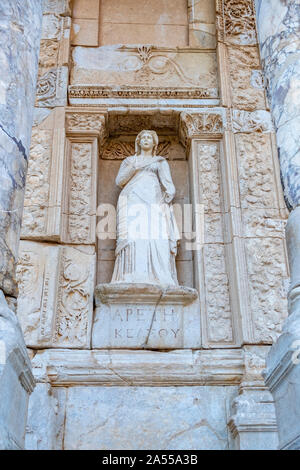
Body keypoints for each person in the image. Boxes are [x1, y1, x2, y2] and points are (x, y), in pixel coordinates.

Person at [111, 130, 180, 286]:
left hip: (154, 199)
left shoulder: (159, 162)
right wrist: (135, 167)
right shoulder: (130, 161)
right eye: (143, 138)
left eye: (149, 138)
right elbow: (119, 181)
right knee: (133, 236)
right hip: (132, 199)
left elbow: (168, 184)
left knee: (156, 235)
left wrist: (169, 194)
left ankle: (159, 275)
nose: (146, 140)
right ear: (139, 142)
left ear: (154, 143)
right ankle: (132, 274)